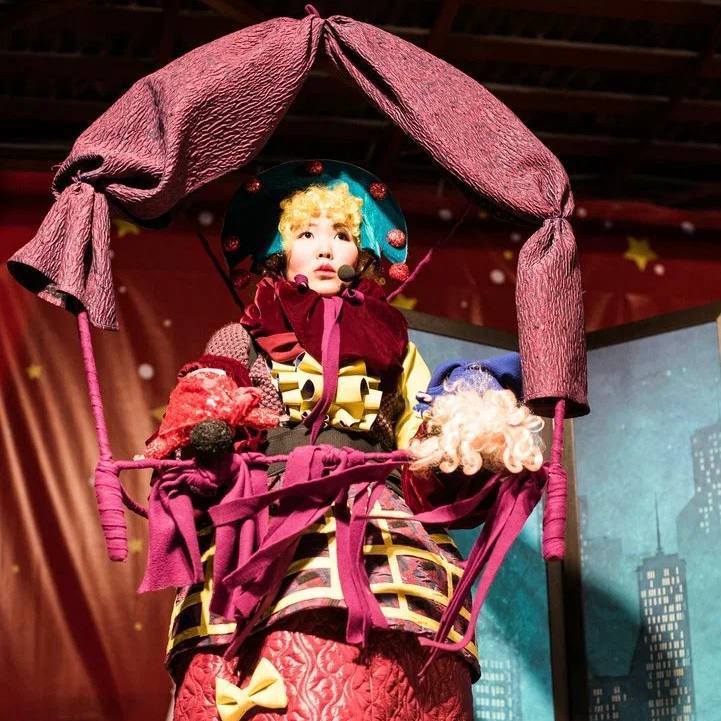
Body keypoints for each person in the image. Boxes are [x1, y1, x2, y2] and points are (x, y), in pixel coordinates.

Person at [144, 159, 518, 721]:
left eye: (341, 234)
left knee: (413, 621)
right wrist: (209, 439)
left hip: (376, 503)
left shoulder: (393, 339)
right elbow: (209, 395)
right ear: (281, 251)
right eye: (306, 234)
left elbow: (415, 428)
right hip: (269, 498)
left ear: (359, 253)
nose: (324, 248)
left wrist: (462, 439)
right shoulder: (244, 333)